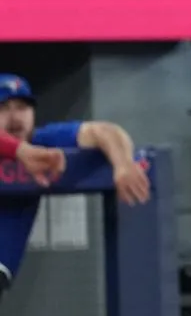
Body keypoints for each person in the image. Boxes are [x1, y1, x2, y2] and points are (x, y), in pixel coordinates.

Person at [0, 74, 150, 300]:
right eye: (3, 107)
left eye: (22, 107)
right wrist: (20, 151)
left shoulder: (43, 143)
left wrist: (123, 163)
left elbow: (104, 131)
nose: (14, 118)